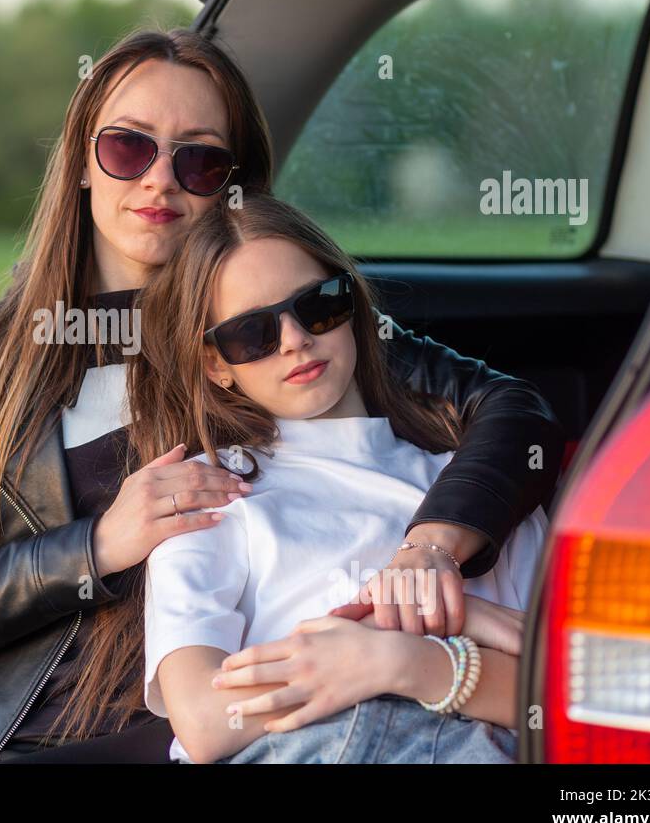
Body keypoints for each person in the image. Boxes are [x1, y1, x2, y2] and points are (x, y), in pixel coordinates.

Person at [0, 26, 564, 764]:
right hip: (28, 742)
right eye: (127, 147)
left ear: (236, 184)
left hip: (240, 729)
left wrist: (431, 552)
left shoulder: (284, 323)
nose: (159, 180)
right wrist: (100, 546)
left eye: (199, 159)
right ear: (82, 159)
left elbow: (515, 416)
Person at [136, 192, 543, 764]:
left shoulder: (476, 493)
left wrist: (405, 661)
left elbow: (567, 701)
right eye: (252, 334)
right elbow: (205, 722)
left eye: (317, 306)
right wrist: (414, 621)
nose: (295, 340)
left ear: (351, 305)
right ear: (215, 366)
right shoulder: (212, 493)